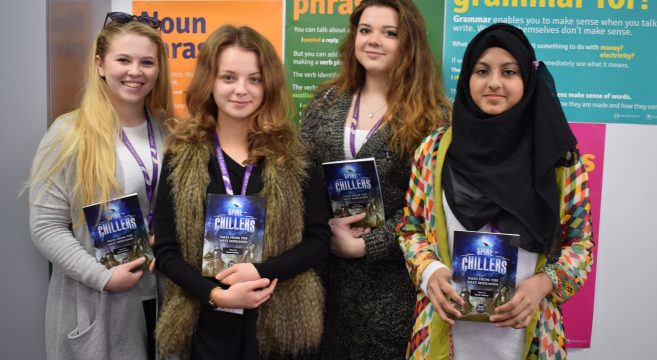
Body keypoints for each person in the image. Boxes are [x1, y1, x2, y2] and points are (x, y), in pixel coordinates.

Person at [398, 23, 594, 359]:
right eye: (482, 70)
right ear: (467, 79)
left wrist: (541, 285)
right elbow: (410, 228)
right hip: (444, 335)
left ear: (527, 81)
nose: (494, 83)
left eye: (509, 72)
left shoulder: (558, 159)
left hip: (528, 337)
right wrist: (431, 271)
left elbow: (581, 246)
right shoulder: (433, 150)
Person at [153, 25, 331, 360]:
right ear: (210, 81)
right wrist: (215, 295)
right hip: (205, 325)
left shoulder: (295, 155)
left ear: (269, 85)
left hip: (280, 326)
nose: (241, 90)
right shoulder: (180, 154)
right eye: (229, 77)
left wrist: (261, 271)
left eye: (254, 79)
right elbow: (165, 250)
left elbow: (319, 241)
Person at [299, 0, 451, 358]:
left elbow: (433, 209)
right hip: (325, 284)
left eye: (389, 33)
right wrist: (325, 230)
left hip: (393, 292)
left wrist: (369, 245)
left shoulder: (434, 116)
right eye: (365, 30)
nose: (373, 40)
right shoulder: (326, 100)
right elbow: (300, 179)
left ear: (409, 43)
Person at [28, 13, 172, 360]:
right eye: (123, 59)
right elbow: (45, 226)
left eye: (146, 62)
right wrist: (101, 277)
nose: (135, 71)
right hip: (99, 300)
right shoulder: (69, 134)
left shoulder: (170, 132)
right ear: (100, 65)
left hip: (160, 296)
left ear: (158, 69)